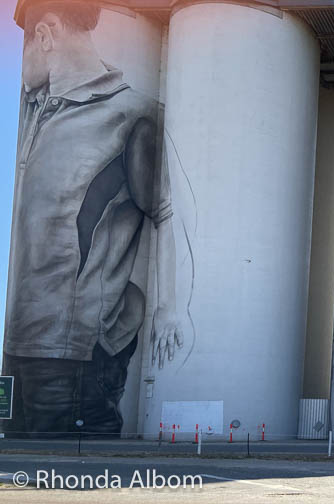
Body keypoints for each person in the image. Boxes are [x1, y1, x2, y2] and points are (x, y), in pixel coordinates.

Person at [2, 1, 180, 437]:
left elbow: (167, 216)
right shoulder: (33, 111)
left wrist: (169, 309)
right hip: (15, 348)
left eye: (18, 52)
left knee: (73, 477)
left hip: (73, 358)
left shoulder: (132, 115)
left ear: (45, 36)